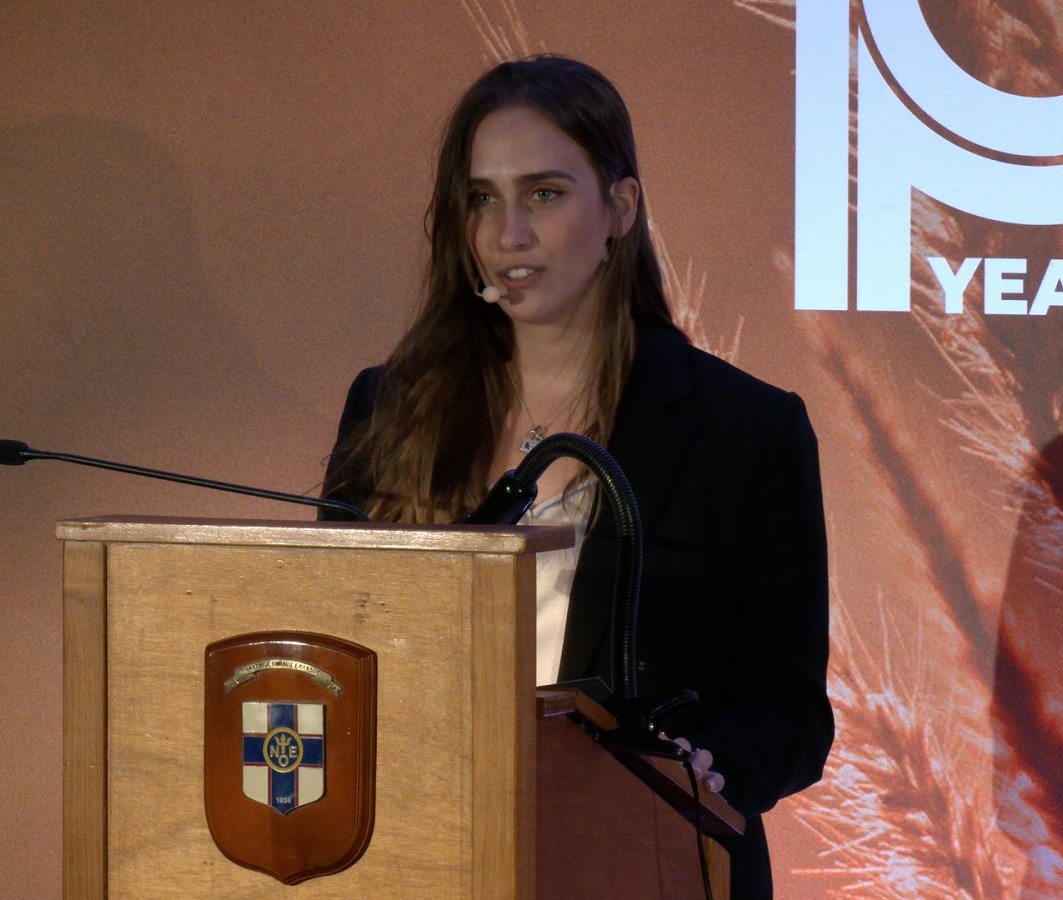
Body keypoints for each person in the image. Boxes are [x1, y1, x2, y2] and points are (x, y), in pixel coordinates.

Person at [322, 55, 832, 896]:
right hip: (421, 861)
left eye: (544, 194)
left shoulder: (745, 430)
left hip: (649, 865)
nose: (507, 234)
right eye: (481, 198)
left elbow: (792, 711)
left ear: (620, 209)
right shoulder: (386, 409)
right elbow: (333, 657)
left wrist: (708, 769)